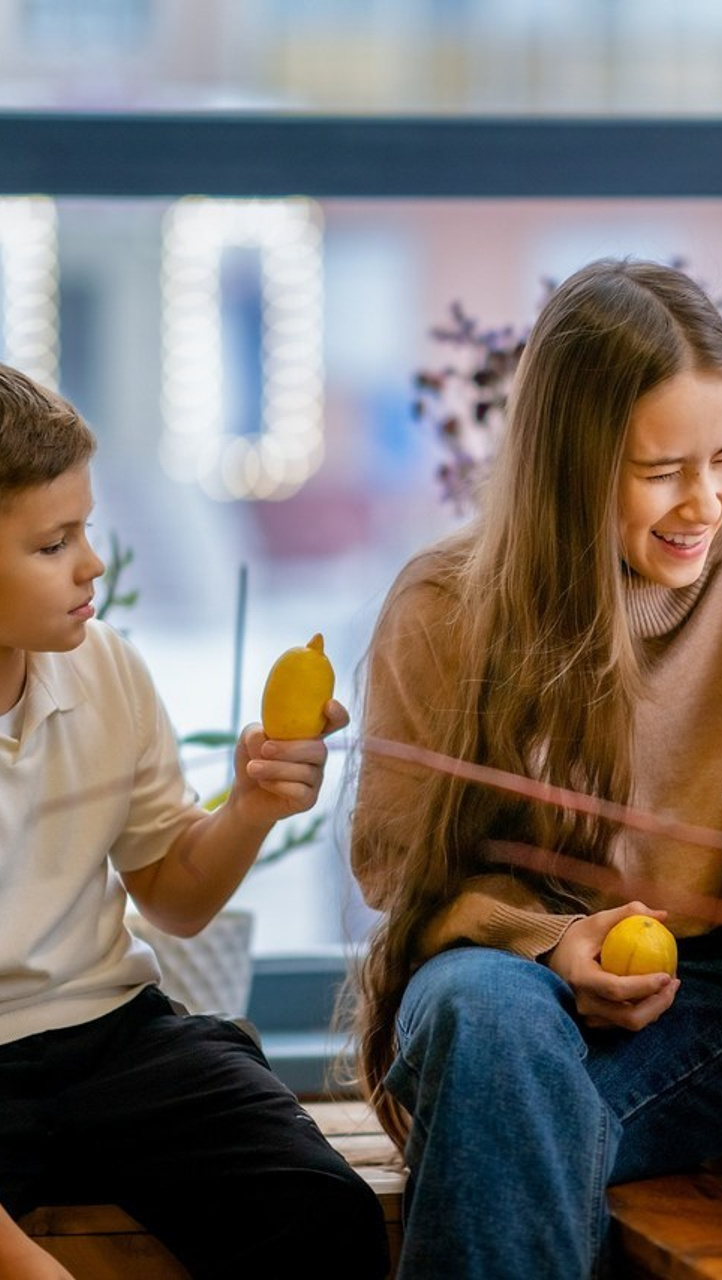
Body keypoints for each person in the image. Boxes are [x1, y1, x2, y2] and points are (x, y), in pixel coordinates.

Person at [350, 258, 722, 1279]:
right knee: (488, 1027)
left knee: (499, 1131)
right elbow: (391, 862)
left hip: (708, 1002)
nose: (705, 501)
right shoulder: (440, 606)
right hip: (494, 978)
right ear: (569, 463)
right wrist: (556, 941)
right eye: (661, 472)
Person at [0, 364, 390, 1279]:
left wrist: (250, 806)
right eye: (54, 543)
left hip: (112, 1038)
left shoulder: (107, 670)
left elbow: (174, 899)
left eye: (86, 529)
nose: (93, 564)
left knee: (322, 1213)